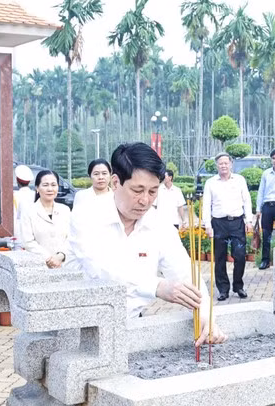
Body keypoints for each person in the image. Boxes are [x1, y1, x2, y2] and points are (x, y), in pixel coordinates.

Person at [69, 142, 225, 346]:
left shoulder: (159, 224)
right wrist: (157, 286)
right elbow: (101, 271)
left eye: (153, 192)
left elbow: (185, 273)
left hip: (130, 325)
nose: (145, 200)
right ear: (115, 183)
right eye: (137, 190)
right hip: (80, 327)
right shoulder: (86, 215)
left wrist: (205, 314)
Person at [202, 152, 254, 300]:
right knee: (219, 258)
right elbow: (206, 205)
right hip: (219, 224)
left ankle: (238, 286)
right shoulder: (211, 183)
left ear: (231, 164)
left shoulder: (239, 180)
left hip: (237, 223)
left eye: (226, 163)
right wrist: (207, 225)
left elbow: (247, 200)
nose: (223, 165)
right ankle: (223, 289)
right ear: (217, 165)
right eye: (220, 163)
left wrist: (248, 220)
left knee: (240, 256)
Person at [21, 169, 72, 269]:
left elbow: (71, 238)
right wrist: (49, 258)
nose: (50, 189)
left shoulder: (65, 210)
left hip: (64, 265)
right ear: (37, 188)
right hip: (39, 267)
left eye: (53, 185)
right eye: (45, 185)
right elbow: (28, 242)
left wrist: (60, 256)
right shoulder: (28, 212)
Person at [13, 165, 35, 245]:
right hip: (33, 231)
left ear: (17, 180)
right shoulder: (35, 195)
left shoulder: (14, 195)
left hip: (18, 232)